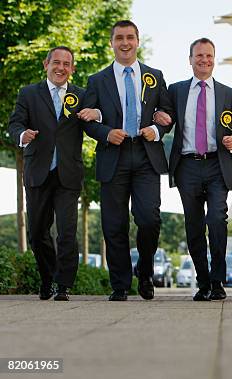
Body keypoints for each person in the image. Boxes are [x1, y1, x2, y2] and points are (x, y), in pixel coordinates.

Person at [79, 20, 174, 301]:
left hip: (146, 156)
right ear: (112, 42)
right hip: (113, 156)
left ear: (137, 41)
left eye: (130, 37)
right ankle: (120, 284)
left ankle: (144, 271)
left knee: (149, 220)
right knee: (113, 224)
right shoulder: (97, 80)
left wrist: (157, 129)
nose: (125, 43)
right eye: (119, 38)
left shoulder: (154, 76)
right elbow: (87, 118)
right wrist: (107, 133)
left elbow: (166, 113)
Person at [8, 46, 88, 301]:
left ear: (72, 69)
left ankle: (62, 285)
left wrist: (96, 114)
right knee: (37, 231)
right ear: (46, 64)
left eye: (66, 64)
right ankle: (48, 278)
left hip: (68, 174)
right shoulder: (29, 94)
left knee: (67, 231)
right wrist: (22, 135)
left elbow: (96, 123)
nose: (61, 68)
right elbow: (15, 123)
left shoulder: (82, 96)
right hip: (38, 171)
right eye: (56, 62)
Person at [166, 38, 232, 301]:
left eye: (209, 56)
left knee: (217, 220)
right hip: (187, 165)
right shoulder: (175, 91)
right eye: (199, 56)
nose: (204, 60)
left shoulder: (227, 93)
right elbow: (164, 118)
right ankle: (203, 282)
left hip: (216, 164)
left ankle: (218, 281)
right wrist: (159, 119)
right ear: (190, 59)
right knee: (194, 226)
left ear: (214, 59)